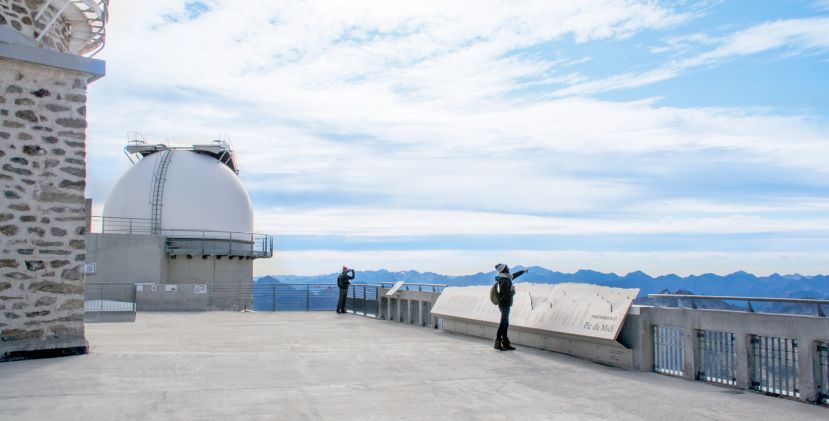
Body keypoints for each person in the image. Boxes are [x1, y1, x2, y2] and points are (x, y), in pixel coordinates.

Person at [493, 263, 527, 351]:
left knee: (505, 324)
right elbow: (505, 295)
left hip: (505, 305)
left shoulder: (506, 277)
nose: (509, 268)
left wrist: (523, 271)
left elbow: (514, 275)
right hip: (504, 305)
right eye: (507, 267)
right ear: (504, 269)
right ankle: (498, 343)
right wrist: (512, 291)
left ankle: (505, 343)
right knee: (503, 323)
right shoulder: (504, 281)